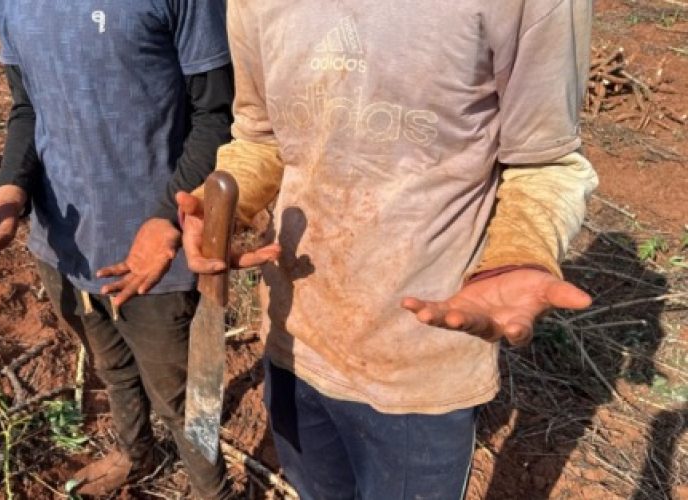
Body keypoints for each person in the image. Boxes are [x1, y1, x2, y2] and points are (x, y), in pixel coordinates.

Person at [171, 1, 599, 498]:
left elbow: (544, 162)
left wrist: (520, 251)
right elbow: (262, 138)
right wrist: (220, 208)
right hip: (295, 338)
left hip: (418, 362)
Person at [0, 1, 235, 497]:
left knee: (185, 397)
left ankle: (214, 490)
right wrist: (10, 192)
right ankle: (133, 451)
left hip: (153, 253)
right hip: (63, 242)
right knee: (109, 362)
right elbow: (27, 109)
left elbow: (217, 111)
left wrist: (167, 214)